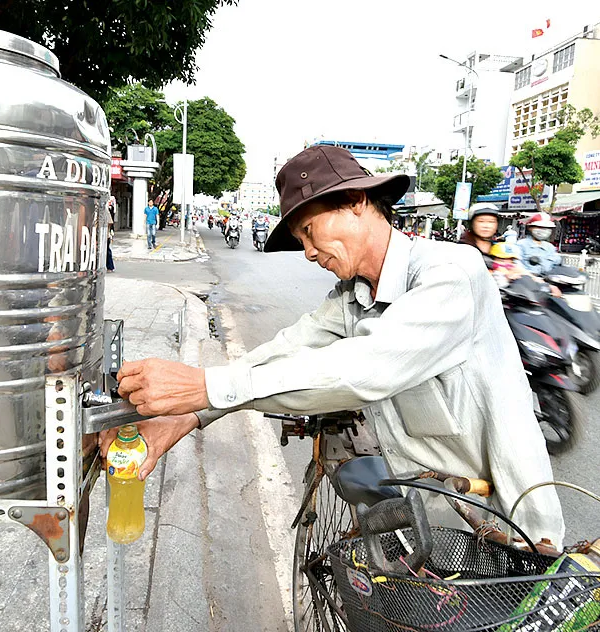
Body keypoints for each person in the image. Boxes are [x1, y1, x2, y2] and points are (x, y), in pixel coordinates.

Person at [103, 145, 565, 547]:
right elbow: (289, 347)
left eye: (309, 231)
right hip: (430, 506)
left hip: (503, 517)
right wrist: (191, 412)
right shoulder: (353, 296)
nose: (307, 252)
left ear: (356, 202)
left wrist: (205, 386)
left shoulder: (451, 272)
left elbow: (366, 368)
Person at [459, 203, 499, 268]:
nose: (486, 226)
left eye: (491, 221)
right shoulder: (462, 248)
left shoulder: (500, 249)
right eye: (481, 221)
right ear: (471, 223)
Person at [106, 196, 116, 273]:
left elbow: (110, 222)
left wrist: (108, 232)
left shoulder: (105, 211)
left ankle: (110, 266)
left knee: (107, 251)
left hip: (106, 235)